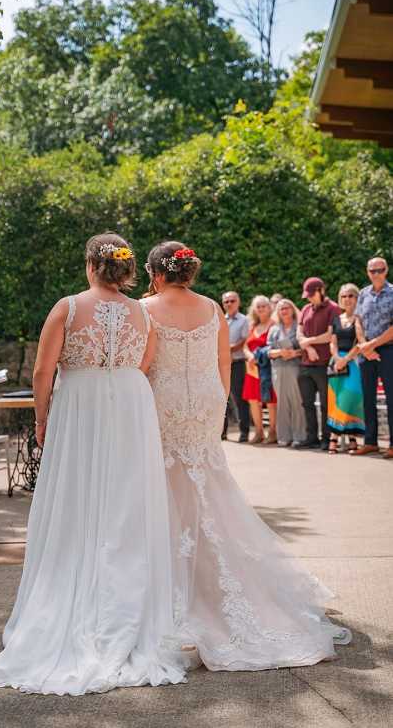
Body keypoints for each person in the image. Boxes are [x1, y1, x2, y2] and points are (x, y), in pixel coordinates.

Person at [0, 233, 190, 696]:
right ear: (126, 270)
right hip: (130, 409)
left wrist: (41, 418)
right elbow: (144, 363)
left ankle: (75, 599)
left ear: (92, 266)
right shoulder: (144, 311)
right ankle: (125, 611)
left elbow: (42, 370)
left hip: (81, 406)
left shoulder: (68, 306)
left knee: (76, 502)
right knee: (125, 507)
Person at [143, 241, 351, 671]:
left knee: (165, 484)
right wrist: (218, 402)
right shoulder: (213, 309)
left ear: (156, 272)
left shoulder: (145, 309)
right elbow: (223, 362)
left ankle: (173, 585)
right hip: (204, 402)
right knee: (209, 484)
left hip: (163, 402)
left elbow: (143, 365)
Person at [351, 258, 393, 458]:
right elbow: (358, 321)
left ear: (386, 271)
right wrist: (364, 346)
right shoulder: (363, 293)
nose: (376, 273)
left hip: (388, 350)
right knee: (368, 399)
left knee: (392, 398)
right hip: (366, 352)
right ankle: (370, 442)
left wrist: (372, 345)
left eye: (380, 270)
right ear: (367, 272)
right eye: (372, 270)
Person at [295, 278, 340, 451]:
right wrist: (309, 347)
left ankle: (326, 439)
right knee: (307, 403)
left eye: (312, 295)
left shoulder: (333, 308)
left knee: (325, 403)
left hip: (324, 363)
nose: (309, 298)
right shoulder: (306, 309)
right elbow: (299, 333)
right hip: (306, 363)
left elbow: (330, 335)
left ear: (321, 290)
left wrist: (308, 342)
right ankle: (311, 437)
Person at [327, 284, 365, 454]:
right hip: (336, 363)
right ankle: (351, 438)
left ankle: (333, 437)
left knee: (348, 398)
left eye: (351, 296)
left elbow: (360, 342)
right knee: (336, 399)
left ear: (357, 298)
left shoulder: (360, 318)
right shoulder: (336, 319)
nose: (347, 299)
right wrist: (337, 358)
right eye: (344, 296)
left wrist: (346, 359)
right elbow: (332, 341)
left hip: (354, 362)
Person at [266, 299, 305, 447]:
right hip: (278, 368)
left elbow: (305, 348)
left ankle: (300, 435)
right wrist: (280, 352)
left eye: (287, 308)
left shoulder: (300, 327)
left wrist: (294, 353)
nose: (284, 311)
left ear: (293, 309)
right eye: (281, 309)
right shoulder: (274, 329)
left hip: (296, 367)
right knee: (282, 403)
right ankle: (284, 436)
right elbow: (268, 351)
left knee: (297, 402)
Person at [242, 296, 277, 444]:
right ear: (254, 310)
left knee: (269, 399)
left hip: (267, 368)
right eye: (258, 306)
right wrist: (249, 355)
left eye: (264, 306)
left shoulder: (274, 324)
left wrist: (259, 356)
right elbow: (245, 345)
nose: (261, 308)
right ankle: (258, 431)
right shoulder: (251, 326)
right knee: (253, 399)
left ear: (269, 308)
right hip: (252, 369)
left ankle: (273, 432)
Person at [221, 291, 250, 442]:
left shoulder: (244, 320)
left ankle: (244, 431)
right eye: (226, 302)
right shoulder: (221, 320)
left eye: (232, 301)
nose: (229, 304)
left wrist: (225, 349)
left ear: (238, 302)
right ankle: (222, 432)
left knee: (240, 399)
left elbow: (243, 342)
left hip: (238, 364)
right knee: (221, 398)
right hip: (222, 364)